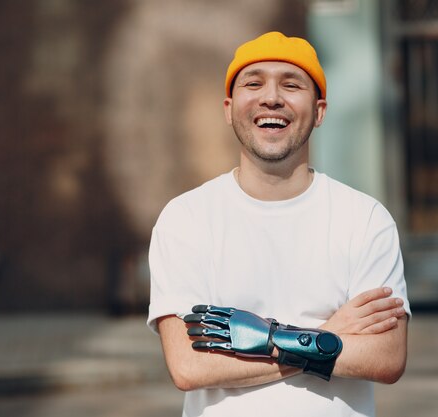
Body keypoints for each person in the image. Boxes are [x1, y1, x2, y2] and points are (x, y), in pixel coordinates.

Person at [147, 31, 410, 417]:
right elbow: (188, 366)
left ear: (319, 111)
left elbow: (386, 357)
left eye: (291, 84)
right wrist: (327, 338)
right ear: (228, 107)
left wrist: (259, 340)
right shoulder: (185, 219)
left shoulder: (365, 219)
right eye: (253, 83)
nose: (271, 97)